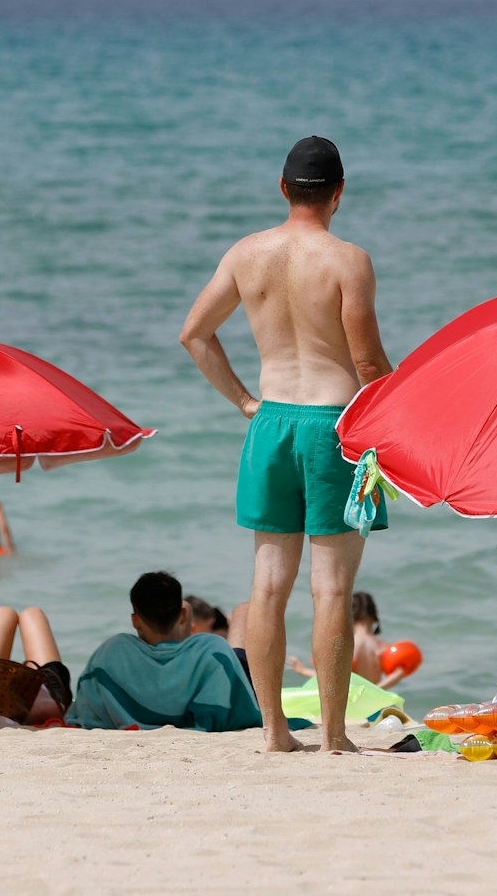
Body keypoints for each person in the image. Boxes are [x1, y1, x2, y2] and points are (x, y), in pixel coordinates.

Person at [179, 135, 394, 753]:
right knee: (331, 589)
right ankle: (332, 735)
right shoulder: (349, 260)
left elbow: (194, 334)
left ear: (282, 188)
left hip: (270, 423)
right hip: (334, 427)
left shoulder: (247, 254)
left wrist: (246, 402)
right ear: (339, 194)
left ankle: (274, 731)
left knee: (268, 584)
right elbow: (366, 359)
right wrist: (401, 418)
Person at [0, 571, 260, 731]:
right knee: (245, 610)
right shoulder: (211, 649)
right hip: (199, 648)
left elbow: (84, 713)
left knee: (25, 615)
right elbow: (242, 709)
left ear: (135, 620)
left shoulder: (114, 653)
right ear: (183, 616)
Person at [288, 591, 409, 690]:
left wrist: (303, 670)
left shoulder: (348, 646)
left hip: (351, 706)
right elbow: (400, 672)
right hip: (374, 706)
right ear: (374, 617)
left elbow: (332, 679)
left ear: (349, 616)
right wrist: (377, 689)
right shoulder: (382, 646)